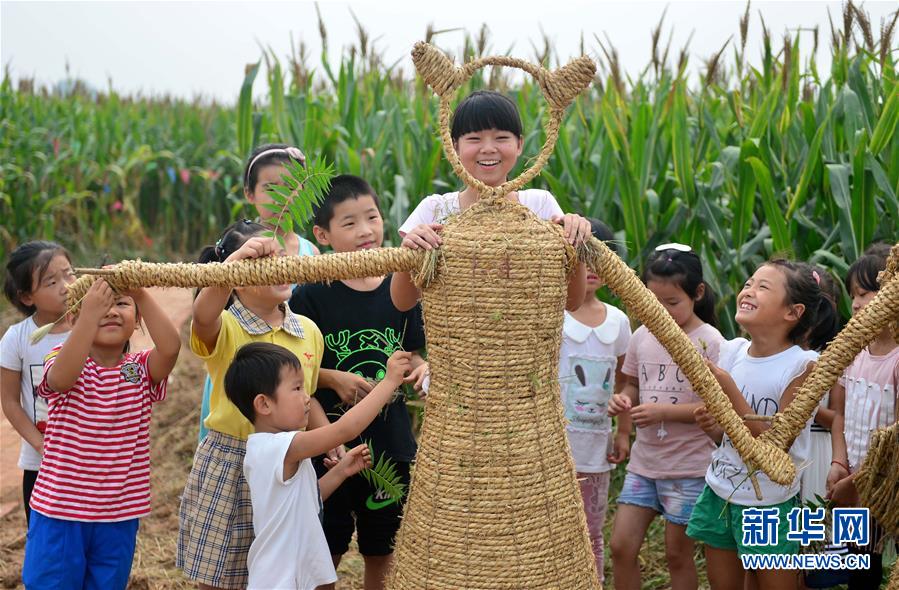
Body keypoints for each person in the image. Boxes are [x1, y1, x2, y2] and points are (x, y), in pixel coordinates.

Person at [290, 175, 428, 590]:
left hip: (389, 443)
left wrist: (421, 370)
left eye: (371, 217)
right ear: (322, 234)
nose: (365, 230)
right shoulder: (310, 296)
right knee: (323, 546)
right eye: (349, 223)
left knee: (381, 548)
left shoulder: (399, 286)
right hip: (328, 446)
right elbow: (300, 376)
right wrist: (327, 430)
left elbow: (416, 351)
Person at [177, 220, 328, 590]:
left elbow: (307, 396)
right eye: (261, 259)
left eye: (280, 255)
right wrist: (232, 266)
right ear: (237, 280)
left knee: (283, 571)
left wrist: (328, 438)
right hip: (231, 463)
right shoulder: (225, 326)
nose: (278, 265)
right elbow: (202, 316)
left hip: (287, 464)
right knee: (220, 574)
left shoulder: (308, 331)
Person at [688, 259, 839, 590]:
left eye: (763, 287)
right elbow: (730, 437)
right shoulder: (734, 351)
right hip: (720, 492)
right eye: (748, 283)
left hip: (767, 505)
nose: (748, 290)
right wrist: (713, 427)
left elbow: (773, 447)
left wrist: (727, 386)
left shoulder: (803, 366)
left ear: (792, 312)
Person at [22, 278, 180, 589]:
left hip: (119, 516)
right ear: (73, 318)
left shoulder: (138, 370)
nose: (110, 311)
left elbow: (171, 347)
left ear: (137, 321)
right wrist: (88, 316)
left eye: (122, 303)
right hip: (61, 511)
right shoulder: (64, 360)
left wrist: (139, 291)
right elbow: (62, 379)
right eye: (99, 305)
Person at [226, 342, 413, 589]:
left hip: (292, 575)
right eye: (297, 388)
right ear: (264, 404)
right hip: (280, 579)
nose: (307, 398)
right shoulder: (280, 447)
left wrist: (340, 471)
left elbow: (305, 500)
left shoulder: (271, 449)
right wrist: (389, 382)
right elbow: (345, 430)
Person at [389, 90, 590, 312]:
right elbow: (402, 302)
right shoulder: (434, 209)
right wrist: (409, 251)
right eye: (474, 139)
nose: (488, 148)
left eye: (501, 138)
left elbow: (572, 302)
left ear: (519, 144)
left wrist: (576, 244)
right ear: (454, 146)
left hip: (527, 344)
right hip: (454, 345)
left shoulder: (540, 205)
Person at [607, 243, 724, 590]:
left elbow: (717, 408)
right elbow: (631, 385)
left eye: (671, 303)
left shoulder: (711, 342)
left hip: (688, 468)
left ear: (697, 293)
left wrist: (663, 412)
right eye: (652, 303)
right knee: (620, 547)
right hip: (645, 464)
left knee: (677, 555)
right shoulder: (642, 336)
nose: (660, 312)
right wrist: (623, 401)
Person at [198, 143, 319, 443]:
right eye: (271, 188)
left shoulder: (311, 252)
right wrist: (237, 261)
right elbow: (205, 316)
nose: (283, 197)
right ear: (249, 194)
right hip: (242, 374)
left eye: (291, 187)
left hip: (294, 366)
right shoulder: (236, 247)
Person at [559, 219, 631, 583]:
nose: (590, 269)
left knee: (591, 533)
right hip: (554, 449)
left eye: (597, 259)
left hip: (595, 451)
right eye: (581, 258)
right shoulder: (552, 315)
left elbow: (624, 381)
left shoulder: (618, 322)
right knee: (550, 533)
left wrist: (623, 431)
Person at [827, 244, 898, 589]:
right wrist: (839, 463)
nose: (855, 303)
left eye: (866, 293)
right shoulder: (851, 351)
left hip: (887, 483)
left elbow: (896, 437)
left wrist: (857, 482)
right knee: (861, 567)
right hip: (852, 475)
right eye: (853, 294)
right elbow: (839, 413)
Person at [1, 241, 75, 525]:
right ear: (27, 297)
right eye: (51, 282)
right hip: (42, 468)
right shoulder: (17, 338)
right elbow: (9, 401)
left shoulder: (94, 328)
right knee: (46, 541)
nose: (66, 286)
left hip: (90, 464)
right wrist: (42, 446)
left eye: (69, 274)